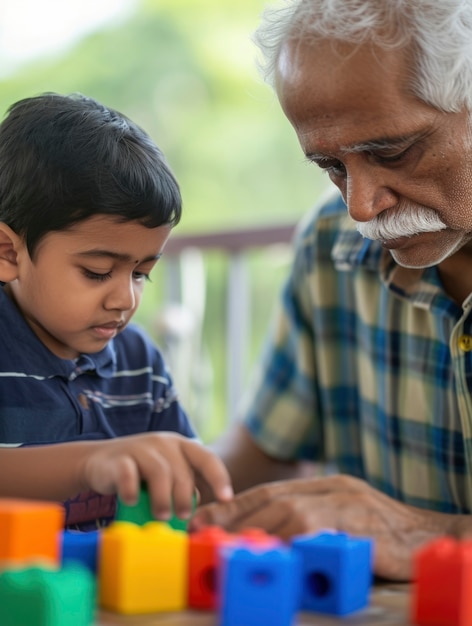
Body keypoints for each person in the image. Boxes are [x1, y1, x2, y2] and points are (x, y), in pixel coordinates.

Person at [190, 0, 472, 581]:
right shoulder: (331, 243)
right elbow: (259, 458)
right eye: (331, 166)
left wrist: (423, 537)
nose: (361, 205)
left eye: (392, 152)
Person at [0, 92, 232, 529]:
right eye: (96, 272)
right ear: (8, 252)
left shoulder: (138, 363)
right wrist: (91, 463)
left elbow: (189, 485)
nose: (125, 299)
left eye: (141, 273)